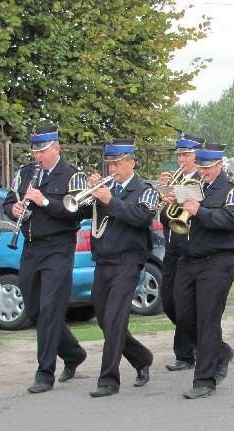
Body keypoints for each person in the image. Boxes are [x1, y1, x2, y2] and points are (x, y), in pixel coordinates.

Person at [2, 124, 87, 394]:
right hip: (30, 247)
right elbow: (8, 201)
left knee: (51, 309)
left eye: (43, 151)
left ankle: (44, 372)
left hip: (59, 248)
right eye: (35, 151)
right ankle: (73, 353)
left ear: (56, 148)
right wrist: (14, 210)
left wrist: (46, 202)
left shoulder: (72, 175)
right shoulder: (25, 173)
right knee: (35, 310)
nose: (38, 157)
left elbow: (79, 212)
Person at [174, 142, 234, 399]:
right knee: (182, 315)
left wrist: (200, 211)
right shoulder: (191, 185)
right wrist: (171, 205)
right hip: (189, 258)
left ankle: (204, 380)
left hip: (218, 260)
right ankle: (220, 351)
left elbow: (232, 220)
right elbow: (171, 219)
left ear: (218, 165)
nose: (202, 171)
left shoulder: (233, 190)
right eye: (201, 166)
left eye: (207, 167)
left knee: (208, 318)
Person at [87, 139, 159, 397]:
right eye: (110, 164)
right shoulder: (106, 188)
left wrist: (110, 201)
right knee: (106, 321)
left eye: (117, 163)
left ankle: (108, 380)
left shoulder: (146, 190)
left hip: (129, 261)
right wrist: (91, 191)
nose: (112, 168)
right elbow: (81, 213)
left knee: (116, 319)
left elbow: (141, 217)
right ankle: (141, 358)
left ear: (132, 162)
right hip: (103, 261)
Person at [158, 134, 203, 371]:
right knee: (169, 302)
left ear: (197, 156)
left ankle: (186, 353)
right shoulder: (175, 180)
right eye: (179, 155)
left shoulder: (199, 181)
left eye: (186, 155)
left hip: (191, 248)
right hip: (172, 247)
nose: (181, 159)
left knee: (184, 303)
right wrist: (163, 197)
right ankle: (199, 342)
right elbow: (165, 219)